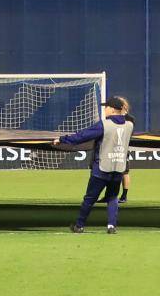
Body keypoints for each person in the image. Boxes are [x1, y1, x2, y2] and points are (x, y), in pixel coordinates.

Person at [56, 95, 133, 234]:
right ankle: (111, 226)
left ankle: (79, 225)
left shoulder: (104, 124)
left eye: (106, 107)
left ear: (112, 109)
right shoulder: (129, 125)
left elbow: (82, 136)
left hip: (102, 167)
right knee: (112, 197)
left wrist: (62, 139)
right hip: (118, 167)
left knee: (90, 198)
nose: (105, 109)